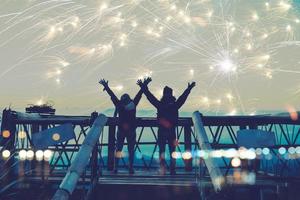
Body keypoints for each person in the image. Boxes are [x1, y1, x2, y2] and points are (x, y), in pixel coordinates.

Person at [139, 77, 196, 175]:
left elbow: (150, 97)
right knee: (172, 151)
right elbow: (182, 98)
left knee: (162, 150)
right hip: (172, 131)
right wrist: (188, 89)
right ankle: (172, 170)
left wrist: (144, 87)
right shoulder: (175, 105)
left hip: (162, 131)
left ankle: (163, 169)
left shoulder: (160, 105)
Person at [99, 78, 150, 174]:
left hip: (121, 130)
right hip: (131, 130)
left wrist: (106, 86)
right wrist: (144, 85)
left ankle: (115, 168)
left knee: (118, 149)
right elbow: (139, 95)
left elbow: (112, 95)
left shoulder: (119, 105)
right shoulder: (133, 104)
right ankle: (130, 168)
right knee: (131, 150)